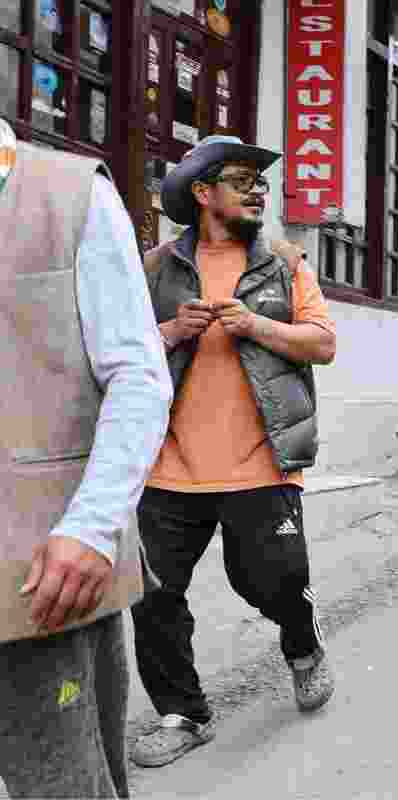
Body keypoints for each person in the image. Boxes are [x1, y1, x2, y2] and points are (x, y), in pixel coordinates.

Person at [130, 135, 339, 768]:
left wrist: (255, 325)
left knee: (273, 579)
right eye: (242, 179)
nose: (258, 190)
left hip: (261, 459)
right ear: (201, 193)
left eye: (261, 182)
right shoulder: (154, 266)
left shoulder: (283, 263)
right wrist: (168, 331)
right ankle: (183, 713)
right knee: (153, 596)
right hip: (168, 464)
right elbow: (114, 347)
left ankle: (302, 645)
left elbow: (323, 344)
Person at [0, 119, 173, 799]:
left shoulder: (70, 195)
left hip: (40, 573)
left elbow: (137, 374)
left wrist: (90, 527)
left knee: (66, 787)